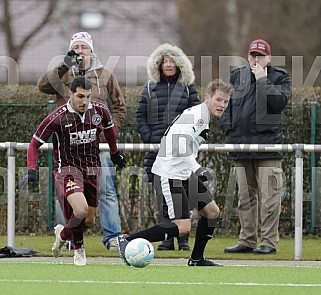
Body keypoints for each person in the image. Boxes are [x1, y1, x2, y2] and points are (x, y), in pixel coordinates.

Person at [117, 79, 233, 266]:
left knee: (212, 212)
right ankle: (127, 240)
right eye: (218, 100)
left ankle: (197, 259)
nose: (222, 105)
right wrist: (197, 168)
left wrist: (192, 169)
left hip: (184, 172)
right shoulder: (197, 115)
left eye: (225, 102)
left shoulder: (202, 115)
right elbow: (180, 145)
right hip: (170, 174)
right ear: (207, 97)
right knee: (183, 227)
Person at [18, 76, 126, 266]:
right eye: (80, 96)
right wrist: (32, 169)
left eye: (88, 97)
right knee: (81, 210)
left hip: (92, 168)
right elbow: (34, 143)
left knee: (90, 219)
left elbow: (109, 130)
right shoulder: (58, 117)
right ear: (70, 94)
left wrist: (114, 152)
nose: (84, 101)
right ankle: (79, 250)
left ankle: (63, 234)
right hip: (67, 170)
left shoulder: (99, 111)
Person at [37, 31, 126, 251]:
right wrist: (64, 65)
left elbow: (119, 106)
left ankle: (112, 236)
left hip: (97, 146)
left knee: (105, 191)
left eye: (83, 47)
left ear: (91, 50)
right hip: (68, 147)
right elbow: (42, 86)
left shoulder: (105, 75)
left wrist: (106, 133)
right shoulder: (64, 74)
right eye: (75, 47)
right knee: (67, 195)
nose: (80, 51)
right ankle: (68, 236)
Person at [220, 39, 291, 254]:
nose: (256, 59)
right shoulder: (236, 76)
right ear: (248, 56)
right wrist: (228, 129)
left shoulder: (280, 77)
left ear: (269, 58)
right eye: (253, 55)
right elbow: (225, 106)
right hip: (240, 146)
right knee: (244, 198)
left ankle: (268, 243)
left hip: (268, 146)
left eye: (260, 56)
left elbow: (278, 103)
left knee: (270, 200)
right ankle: (247, 240)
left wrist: (262, 81)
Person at [136, 43, 200, 251]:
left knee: (183, 195)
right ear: (159, 64)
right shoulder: (149, 87)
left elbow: (197, 116)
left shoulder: (188, 87)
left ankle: (183, 239)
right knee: (162, 195)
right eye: (165, 61)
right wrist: (149, 137)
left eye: (172, 61)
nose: (169, 65)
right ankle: (166, 238)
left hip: (181, 152)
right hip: (157, 151)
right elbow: (140, 115)